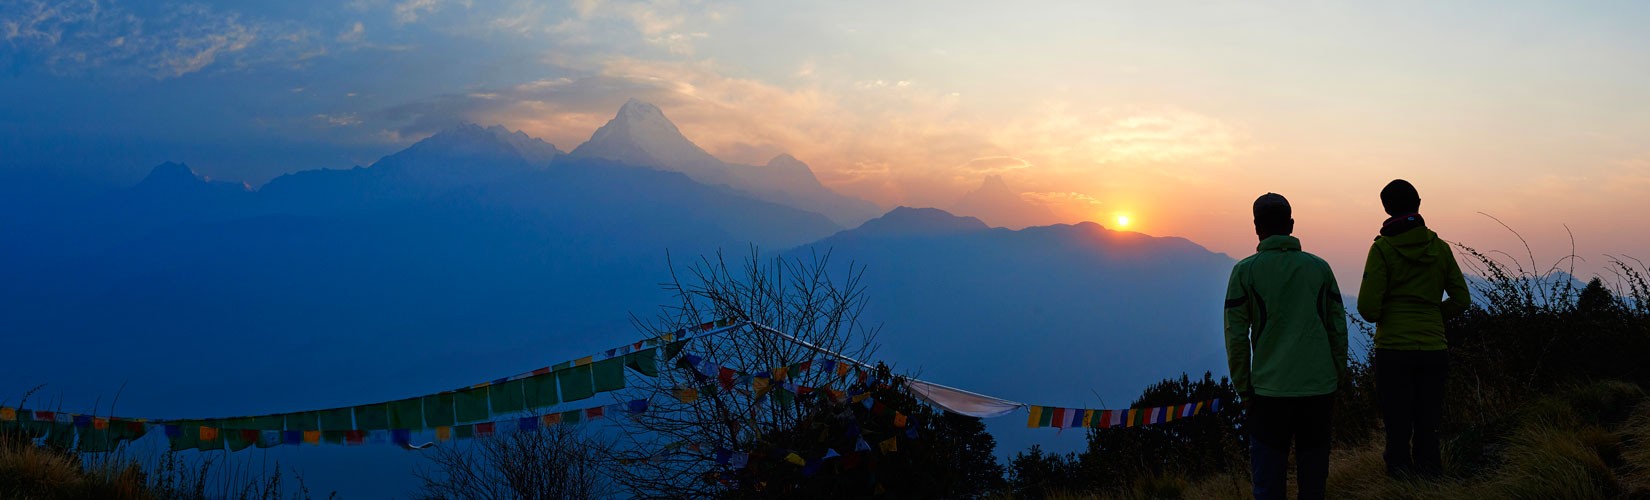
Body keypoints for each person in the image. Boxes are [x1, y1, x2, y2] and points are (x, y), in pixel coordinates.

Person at [1224, 193, 1349, 500]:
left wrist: (1244, 389)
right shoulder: (1320, 269)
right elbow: (1337, 328)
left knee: (1268, 485)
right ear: (1292, 225)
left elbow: (1236, 337)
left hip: (1268, 394)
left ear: (1256, 228)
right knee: (1313, 483)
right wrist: (1338, 376)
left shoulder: (1245, 272)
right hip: (1319, 390)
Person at [1357, 179, 1470, 478]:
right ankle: (1431, 482)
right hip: (1434, 350)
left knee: (1397, 427)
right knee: (1427, 425)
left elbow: (1367, 310)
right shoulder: (1441, 249)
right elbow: (1462, 299)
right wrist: (1433, 315)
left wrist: (1393, 316)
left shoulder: (1382, 250)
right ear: (1419, 204)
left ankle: (1400, 484)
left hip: (1393, 351)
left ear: (1385, 208)